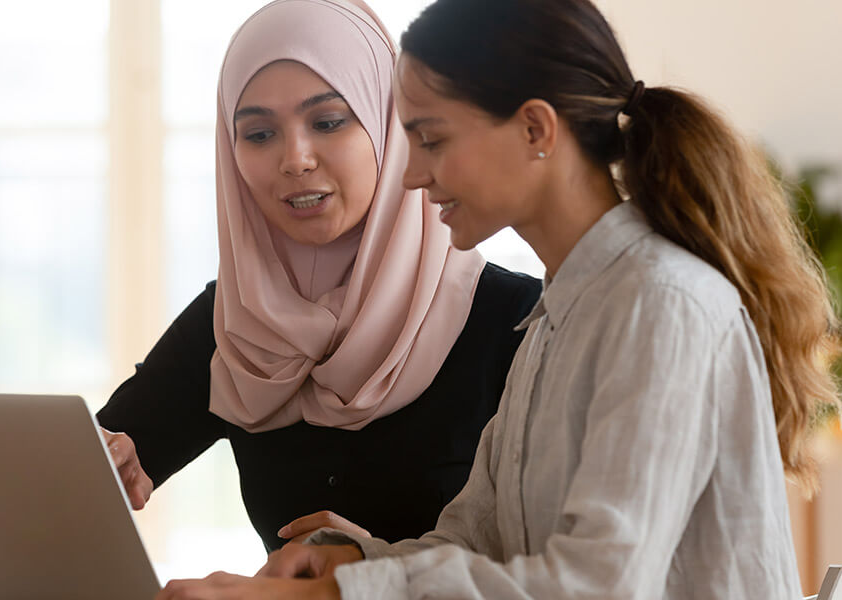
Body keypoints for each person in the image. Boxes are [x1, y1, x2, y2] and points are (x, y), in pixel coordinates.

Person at [156, 0, 842, 598]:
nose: (413, 175)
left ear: (536, 130)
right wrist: (351, 561)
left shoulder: (660, 303)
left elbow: (599, 586)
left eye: (431, 139)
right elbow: (476, 539)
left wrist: (340, 595)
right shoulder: (554, 316)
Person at [96, 0, 540, 554]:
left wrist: (375, 568)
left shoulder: (521, 323)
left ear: (391, 126)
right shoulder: (235, 322)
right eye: (258, 134)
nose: (295, 159)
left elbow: (560, 564)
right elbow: (104, 457)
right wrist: (98, 463)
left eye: (328, 122)